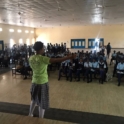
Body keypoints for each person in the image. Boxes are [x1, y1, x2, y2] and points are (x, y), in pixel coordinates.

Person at [28, 41, 76, 118]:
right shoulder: (43, 59)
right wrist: (69, 57)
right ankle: (41, 119)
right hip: (42, 82)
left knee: (34, 99)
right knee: (42, 102)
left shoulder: (31, 58)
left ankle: (30, 114)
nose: (44, 49)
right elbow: (56, 60)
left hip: (34, 82)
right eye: (43, 48)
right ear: (40, 49)